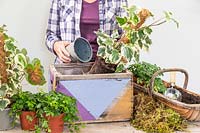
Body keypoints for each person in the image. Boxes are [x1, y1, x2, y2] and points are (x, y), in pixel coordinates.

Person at [45, 0, 128, 63]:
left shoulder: (118, 1)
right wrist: (56, 45)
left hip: (106, 70)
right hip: (68, 69)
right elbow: (50, 34)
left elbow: (125, 35)